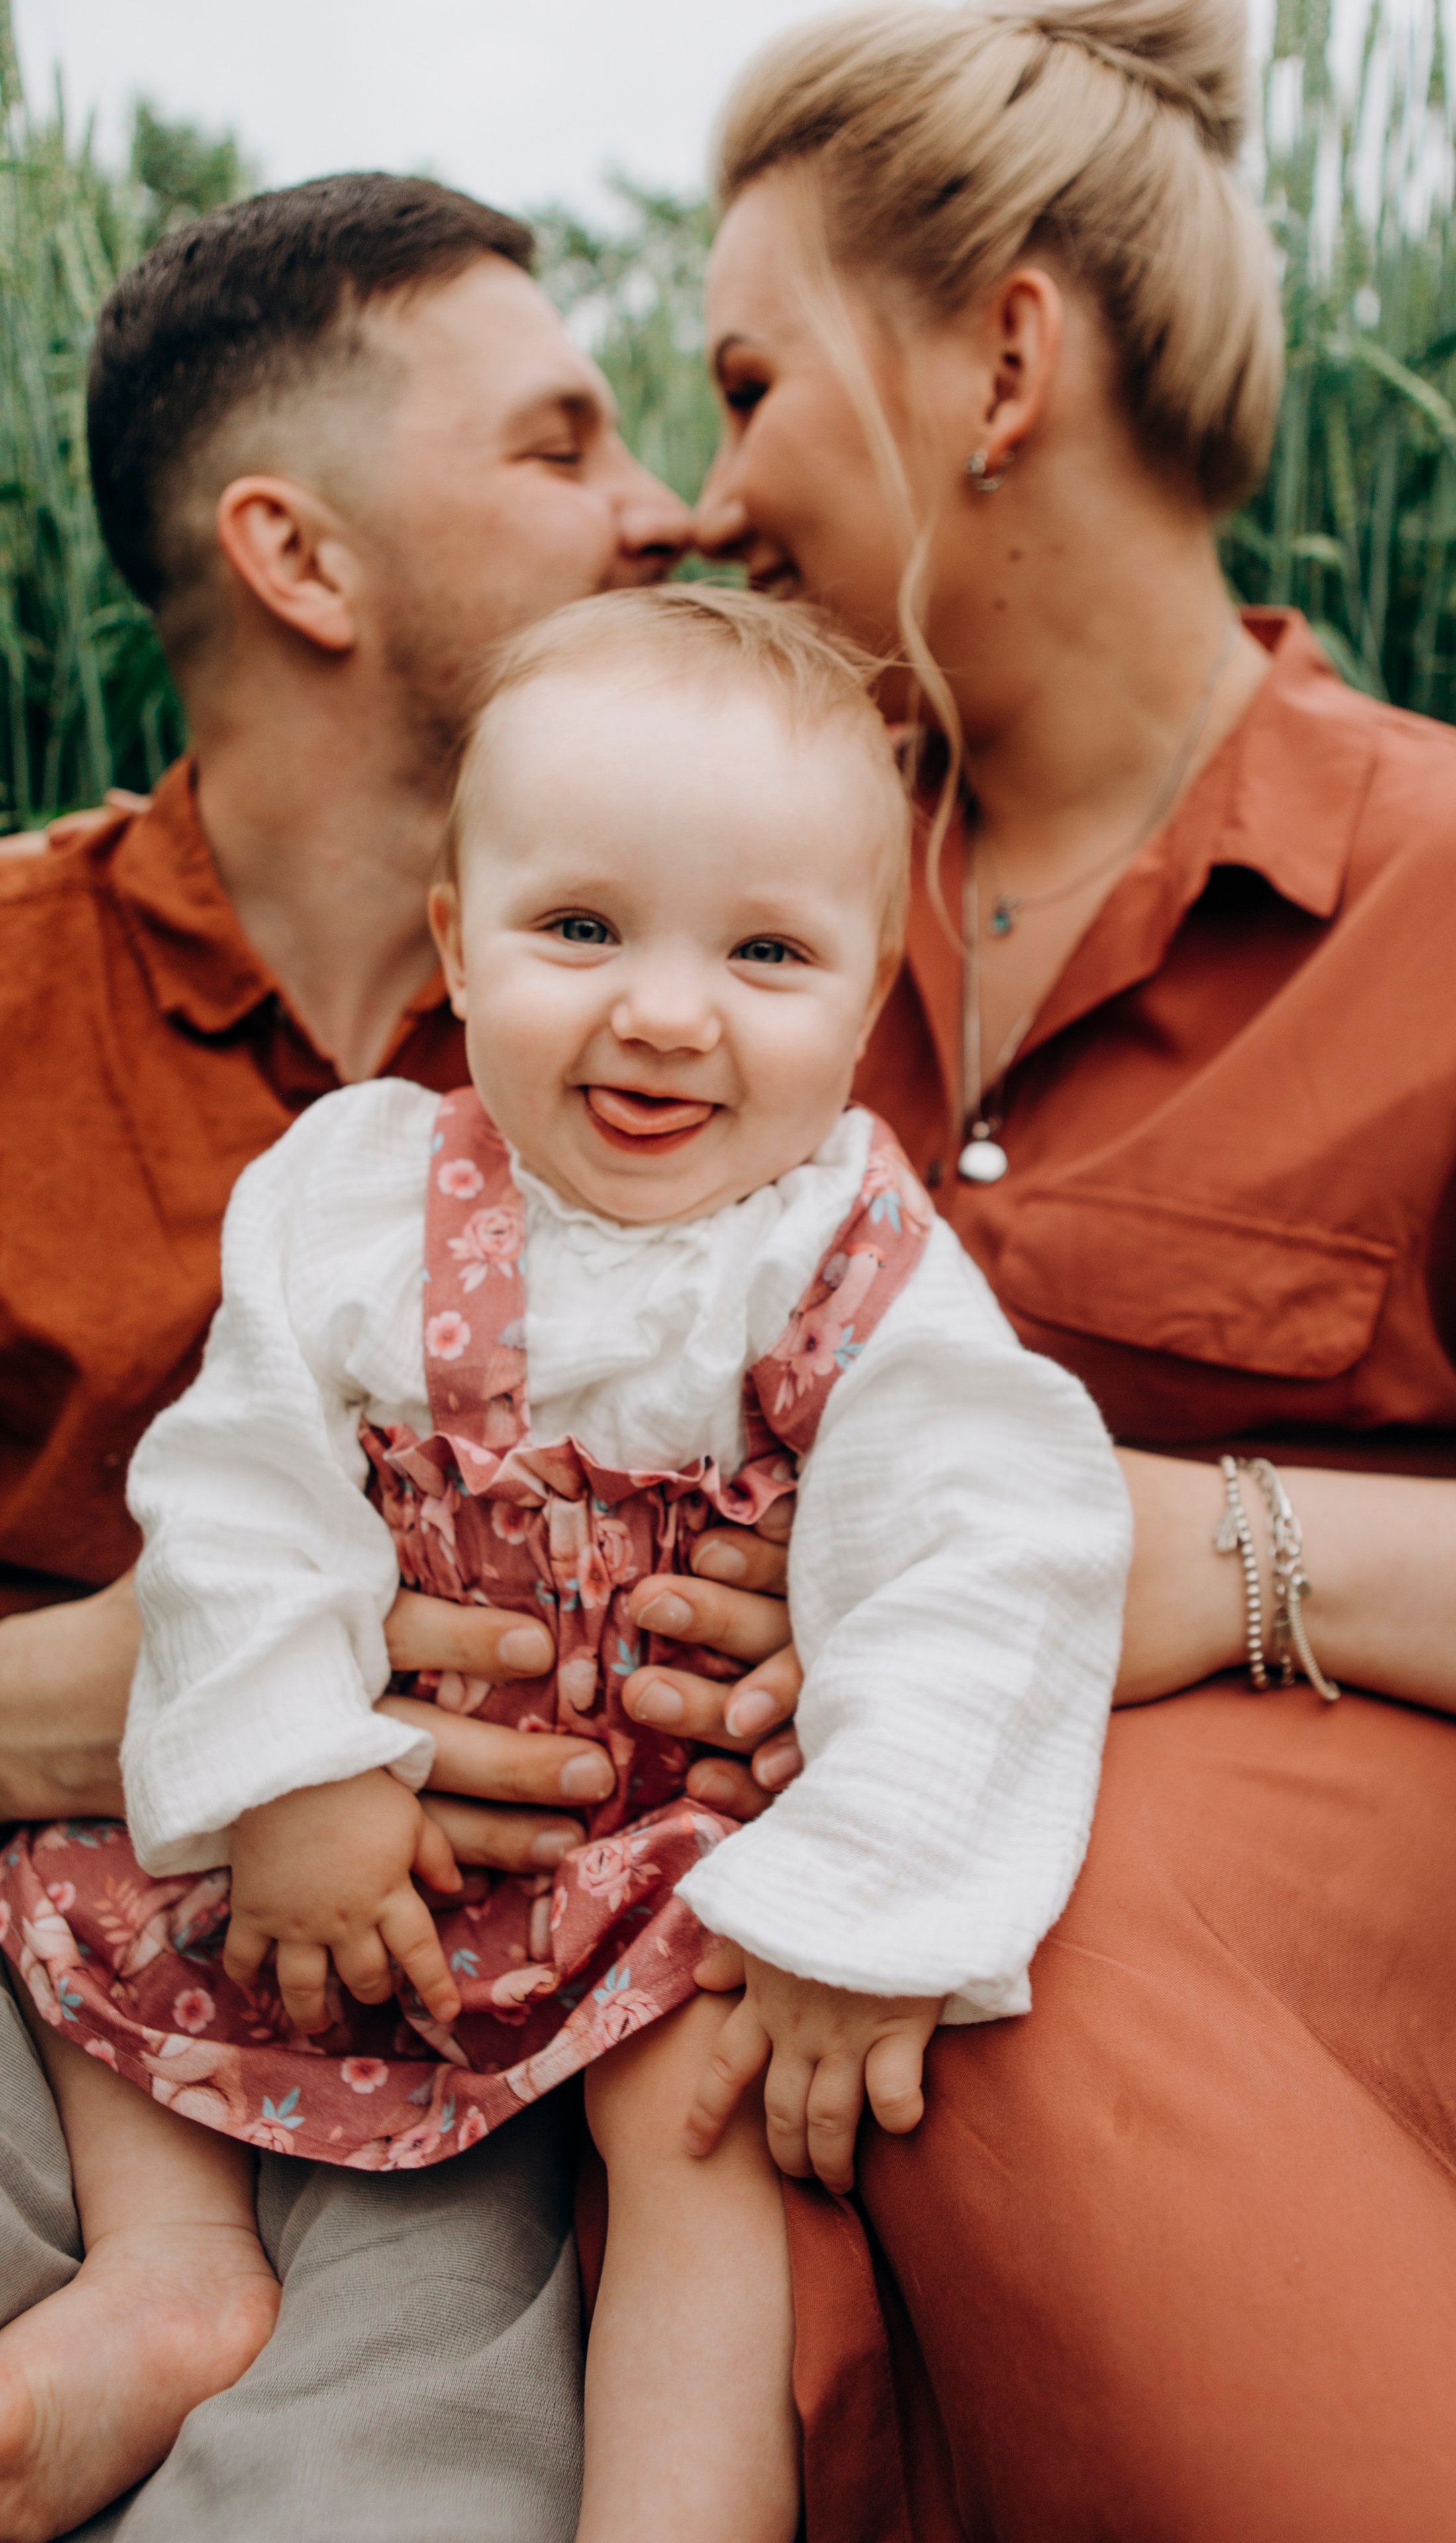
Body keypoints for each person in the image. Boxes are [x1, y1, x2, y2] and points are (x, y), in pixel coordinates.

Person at [669, 0, 1456, 2532]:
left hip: (1373, 1840)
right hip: (810, 1873)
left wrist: (1197, 1554)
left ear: (1000, 362)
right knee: (740, 2140)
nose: (708, 491)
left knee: (1015, 1941)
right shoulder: (756, 900)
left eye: (749, 382)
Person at [3, 585, 1128, 2543]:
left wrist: (866, 1899)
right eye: (582, 928)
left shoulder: (851, 1262)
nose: (667, 1010)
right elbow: (246, 1477)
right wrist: (285, 1761)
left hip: (638, 1878)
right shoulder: (354, 1191)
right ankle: (167, 2278)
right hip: (347, 1840)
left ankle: (671, 2510)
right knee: (95, 1894)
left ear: (871, 1005)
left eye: (767, 951)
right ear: (456, 944)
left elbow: (988, 1554)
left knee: (693, 2117)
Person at [0, 174, 793, 2543]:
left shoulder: (741, 1028)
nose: (668, 511)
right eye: (561, 449)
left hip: (509, 2049)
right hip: (46, 1949)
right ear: (302, 559)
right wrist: (150, 1695)